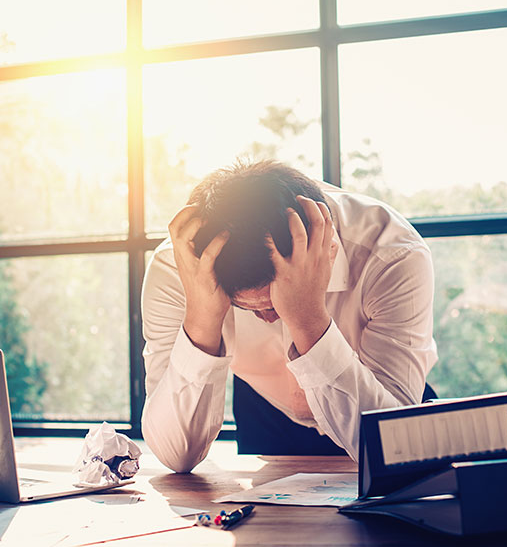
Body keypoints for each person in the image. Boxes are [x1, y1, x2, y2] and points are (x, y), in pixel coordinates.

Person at [140, 160, 437, 472]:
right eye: (248, 308)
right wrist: (202, 319)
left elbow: (394, 448)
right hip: (266, 408)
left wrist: (307, 318)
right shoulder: (178, 269)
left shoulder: (392, 255)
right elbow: (175, 455)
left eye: (274, 305)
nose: (270, 318)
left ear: (328, 249)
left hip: (378, 395)